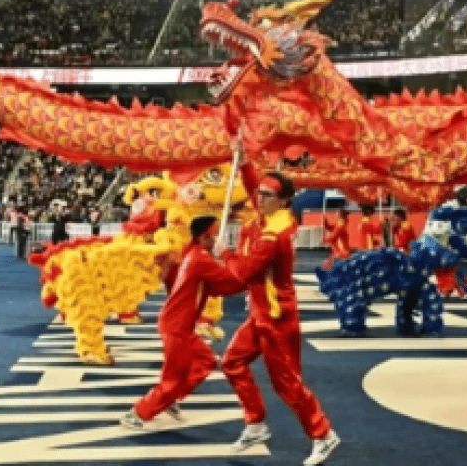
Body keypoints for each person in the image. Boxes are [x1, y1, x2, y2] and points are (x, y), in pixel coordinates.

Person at [219, 157, 340, 466]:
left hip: (276, 317)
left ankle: (323, 435)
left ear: (284, 199)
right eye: (258, 193)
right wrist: (244, 161)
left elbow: (244, 273)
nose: (258, 199)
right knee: (232, 363)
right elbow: (253, 187)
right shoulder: (272, 216)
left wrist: (226, 253)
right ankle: (256, 424)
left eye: (265, 195)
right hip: (261, 313)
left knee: (287, 383)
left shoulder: (276, 233)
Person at [121, 215, 245, 428]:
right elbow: (230, 281)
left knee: (205, 361)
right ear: (204, 237)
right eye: (215, 235)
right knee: (172, 378)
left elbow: (219, 287)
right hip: (177, 326)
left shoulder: (194, 254)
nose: (218, 239)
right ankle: (138, 413)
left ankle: (171, 399)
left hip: (180, 324)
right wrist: (230, 258)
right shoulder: (200, 259)